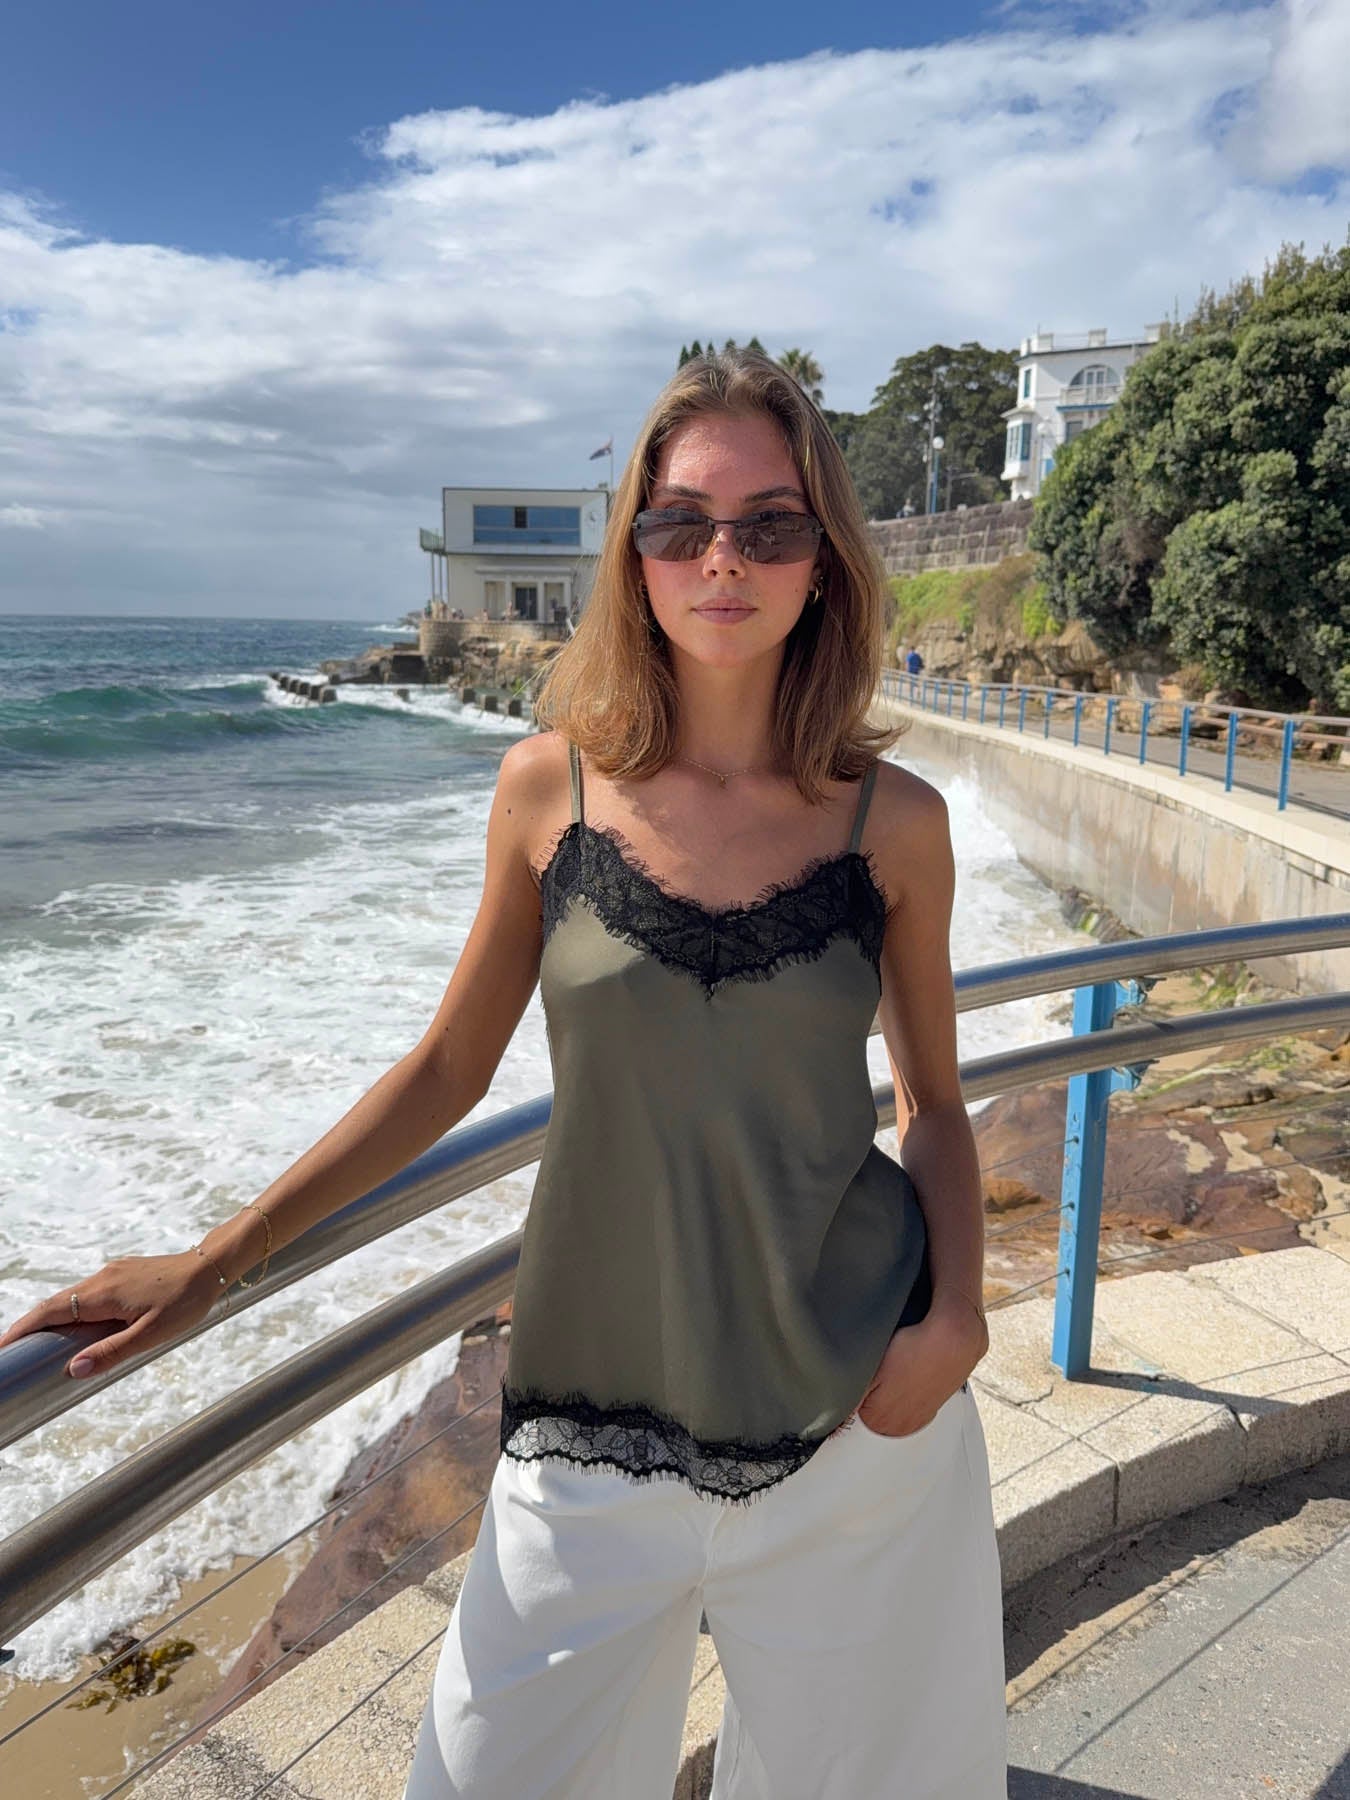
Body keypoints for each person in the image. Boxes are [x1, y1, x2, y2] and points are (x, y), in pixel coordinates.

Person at [0, 349, 1006, 1798]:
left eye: (769, 524)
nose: (723, 559)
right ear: (635, 555)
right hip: (591, 1424)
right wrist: (215, 1264)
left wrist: (955, 1320)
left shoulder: (893, 823)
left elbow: (933, 1105)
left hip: (858, 1415)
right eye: (681, 523)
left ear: (824, 557)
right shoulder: (549, 787)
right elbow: (445, 1069)